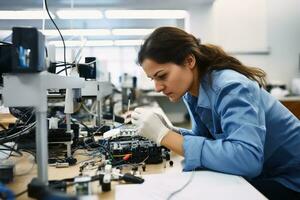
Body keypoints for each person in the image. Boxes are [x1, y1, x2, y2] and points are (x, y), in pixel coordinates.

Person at [130, 26, 300, 200]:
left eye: (162, 75)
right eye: (153, 79)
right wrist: (171, 131)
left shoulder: (230, 87)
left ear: (189, 61)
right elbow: (209, 140)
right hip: (266, 172)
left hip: (290, 180)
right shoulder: (193, 93)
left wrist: (164, 136)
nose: (157, 87)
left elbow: (247, 159)